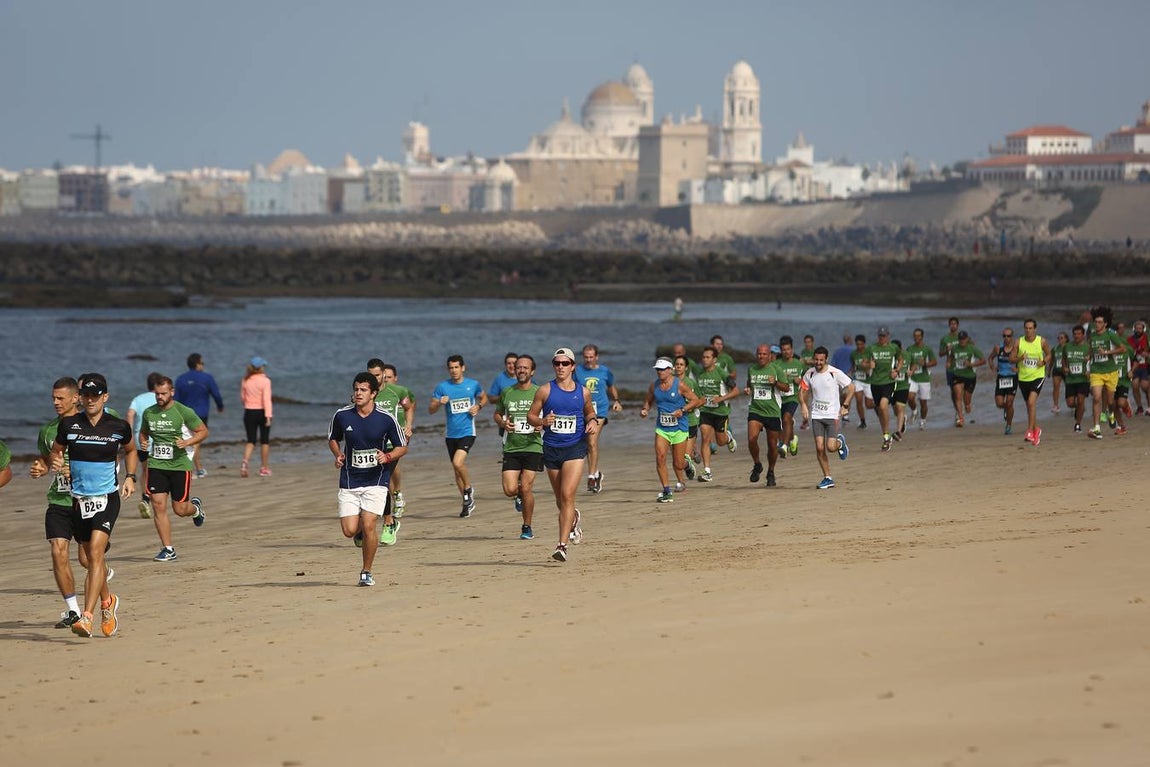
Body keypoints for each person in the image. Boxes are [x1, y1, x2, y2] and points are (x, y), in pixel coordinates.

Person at [49, 373, 136, 638]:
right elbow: (56, 450)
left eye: (95, 395)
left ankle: (87, 616)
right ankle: (108, 602)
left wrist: (131, 477)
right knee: (88, 559)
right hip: (79, 500)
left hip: (108, 498)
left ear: (105, 397)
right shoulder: (69, 425)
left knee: (96, 553)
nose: (90, 400)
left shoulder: (118, 427)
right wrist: (55, 461)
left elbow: (131, 450)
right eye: (85, 395)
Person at [29, 377, 112, 628]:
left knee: (88, 560)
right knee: (58, 550)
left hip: (87, 498)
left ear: (76, 398)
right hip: (59, 499)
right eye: (53, 398)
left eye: (60, 398)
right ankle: (74, 610)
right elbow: (48, 458)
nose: (55, 402)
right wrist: (42, 468)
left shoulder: (93, 423)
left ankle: (107, 601)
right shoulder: (48, 431)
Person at [328, 372, 408, 587]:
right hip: (350, 478)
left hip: (377, 478)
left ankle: (366, 572)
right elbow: (333, 438)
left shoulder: (386, 418)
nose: (358, 393)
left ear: (373, 393)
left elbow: (402, 446)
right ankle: (360, 531)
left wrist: (388, 456)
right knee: (349, 530)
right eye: (356, 389)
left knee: (370, 522)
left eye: (363, 390)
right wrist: (338, 454)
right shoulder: (342, 416)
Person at [528, 348, 598, 562]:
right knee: (560, 500)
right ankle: (574, 518)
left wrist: (593, 421)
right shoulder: (544, 390)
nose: (560, 367)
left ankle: (562, 545)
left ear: (572, 366)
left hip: (575, 448)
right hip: (551, 448)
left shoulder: (583, 391)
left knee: (568, 495)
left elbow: (589, 411)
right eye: (557, 363)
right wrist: (541, 422)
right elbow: (531, 416)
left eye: (565, 363)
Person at [138, 376, 208, 562]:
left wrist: (187, 442)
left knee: (179, 509)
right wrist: (143, 443)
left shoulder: (183, 411)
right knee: (158, 505)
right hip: (156, 465)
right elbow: (143, 432)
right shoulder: (149, 413)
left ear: (172, 392)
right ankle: (168, 549)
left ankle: (195, 509)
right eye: (157, 394)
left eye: (163, 393)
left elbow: (203, 431)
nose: (160, 397)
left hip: (180, 465)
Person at [429, 354, 487, 517]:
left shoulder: (472, 385)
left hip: (468, 431)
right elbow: (431, 410)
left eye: (456, 367)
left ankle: (468, 489)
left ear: (463, 368)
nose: (454, 371)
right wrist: (439, 402)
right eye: (451, 368)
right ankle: (467, 503)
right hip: (450, 434)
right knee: (456, 470)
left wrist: (479, 406)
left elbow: (484, 397)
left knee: (457, 462)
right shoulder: (442, 387)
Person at [493, 355, 543, 539]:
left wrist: (542, 424)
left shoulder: (540, 392)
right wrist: (503, 423)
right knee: (510, 490)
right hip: (512, 447)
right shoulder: (507, 391)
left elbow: (551, 415)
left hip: (533, 446)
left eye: (525, 368)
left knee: (527, 487)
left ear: (532, 371)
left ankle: (526, 527)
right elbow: (497, 414)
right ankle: (518, 495)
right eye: (518, 367)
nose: (521, 370)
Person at [640, 357, 703, 502]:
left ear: (670, 370)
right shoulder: (654, 386)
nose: (659, 372)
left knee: (678, 463)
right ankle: (667, 490)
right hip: (662, 429)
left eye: (662, 369)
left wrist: (682, 409)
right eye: (657, 369)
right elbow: (648, 400)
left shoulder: (680, 385)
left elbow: (695, 400)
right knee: (660, 458)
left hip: (679, 428)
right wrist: (645, 410)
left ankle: (687, 465)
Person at [798, 348, 854, 490]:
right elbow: (802, 390)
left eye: (821, 360)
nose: (818, 362)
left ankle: (840, 443)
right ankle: (827, 478)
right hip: (816, 415)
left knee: (830, 447)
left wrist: (846, 404)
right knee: (819, 447)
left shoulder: (834, 373)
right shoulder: (809, 373)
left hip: (832, 415)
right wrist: (803, 405)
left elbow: (851, 387)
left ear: (826, 359)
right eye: (816, 359)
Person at [369, 361, 415, 520]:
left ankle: (389, 516)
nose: (374, 378)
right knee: (379, 477)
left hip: (395, 442)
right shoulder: (368, 392)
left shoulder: (398, 391)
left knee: (384, 476)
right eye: (371, 375)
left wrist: (408, 426)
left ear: (382, 374)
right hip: (375, 442)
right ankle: (393, 499)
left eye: (376, 375)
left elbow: (409, 407)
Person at [574, 343, 622, 494]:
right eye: (586, 357)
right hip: (582, 411)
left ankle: (592, 476)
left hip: (600, 410)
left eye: (591, 357)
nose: (588, 360)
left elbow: (611, 386)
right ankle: (597, 474)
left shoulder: (605, 371)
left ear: (597, 357)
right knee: (584, 444)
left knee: (592, 440)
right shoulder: (577, 371)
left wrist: (616, 400)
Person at [744, 343, 789, 487]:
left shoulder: (776, 369)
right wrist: (747, 389)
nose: (761, 356)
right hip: (755, 409)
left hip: (772, 411)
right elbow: (749, 384)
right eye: (759, 354)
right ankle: (757, 464)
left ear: (769, 355)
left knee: (772, 445)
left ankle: (771, 471)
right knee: (752, 439)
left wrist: (775, 382)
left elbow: (786, 387)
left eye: (764, 354)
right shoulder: (752, 369)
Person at [175, 353, 224, 478]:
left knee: (190, 440)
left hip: (183, 414)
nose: (203, 365)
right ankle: (191, 468)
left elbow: (175, 399)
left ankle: (198, 468)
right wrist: (220, 406)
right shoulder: (206, 378)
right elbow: (216, 394)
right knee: (196, 440)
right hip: (200, 413)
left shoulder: (180, 379)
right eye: (202, 363)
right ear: (197, 364)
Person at [695, 345, 740, 481]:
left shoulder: (721, 373)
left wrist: (721, 399)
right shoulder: (699, 373)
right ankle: (707, 471)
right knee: (705, 437)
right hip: (705, 411)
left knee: (720, 442)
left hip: (720, 412)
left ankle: (729, 438)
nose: (704, 360)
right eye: (703, 357)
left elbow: (736, 391)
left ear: (714, 359)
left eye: (708, 357)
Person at [1086, 306, 1126, 440]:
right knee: (1096, 397)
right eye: (1095, 322)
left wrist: (1107, 353)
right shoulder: (1092, 335)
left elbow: (1122, 349)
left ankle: (1111, 414)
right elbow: (1092, 350)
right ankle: (1096, 428)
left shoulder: (1111, 334)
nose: (1096, 325)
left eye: (1099, 322)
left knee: (1110, 401)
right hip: (1096, 371)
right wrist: (1088, 356)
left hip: (1111, 371)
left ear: (1105, 324)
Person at [1011, 318, 1052, 446]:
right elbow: (1011, 359)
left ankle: (1029, 431)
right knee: (1029, 406)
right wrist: (1020, 358)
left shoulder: (1042, 341)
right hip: (1023, 378)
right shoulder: (1019, 342)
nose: (1028, 331)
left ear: (1035, 329)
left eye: (1030, 328)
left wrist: (1044, 362)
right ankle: (1036, 430)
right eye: (1026, 328)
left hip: (1038, 376)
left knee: (1031, 402)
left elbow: (1050, 354)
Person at [126, 372, 161, 518]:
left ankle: (145, 498)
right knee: (158, 471)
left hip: (140, 440)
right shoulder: (161, 398)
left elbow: (129, 414)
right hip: (157, 439)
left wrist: (128, 433)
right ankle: (154, 498)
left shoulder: (138, 399)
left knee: (145, 470)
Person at [864, 326, 902, 451]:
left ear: (888, 336)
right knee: (880, 409)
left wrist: (896, 370)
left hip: (888, 381)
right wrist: (869, 365)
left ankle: (887, 435)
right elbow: (863, 364)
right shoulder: (872, 348)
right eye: (880, 336)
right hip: (875, 383)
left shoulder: (893, 348)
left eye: (884, 336)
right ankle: (886, 436)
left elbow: (900, 359)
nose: (882, 338)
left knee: (883, 405)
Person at [241, 356, 273, 477]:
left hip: (249, 412)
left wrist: (248, 405)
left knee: (251, 441)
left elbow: (243, 398)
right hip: (262, 412)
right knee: (264, 441)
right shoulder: (265, 381)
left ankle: (245, 463)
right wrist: (268, 417)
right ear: (260, 368)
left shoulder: (246, 380)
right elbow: (267, 400)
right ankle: (264, 468)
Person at [673, 354, 703, 478]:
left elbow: (701, 399)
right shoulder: (670, 382)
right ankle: (687, 466)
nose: (679, 367)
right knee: (677, 456)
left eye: (681, 365)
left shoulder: (691, 383)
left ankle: (689, 461)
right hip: (674, 422)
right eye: (677, 364)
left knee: (685, 455)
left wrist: (690, 407)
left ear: (686, 368)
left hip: (690, 421)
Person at [947, 331, 985, 427]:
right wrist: (948, 363)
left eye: (964, 339)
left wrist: (971, 364)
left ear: (967, 339)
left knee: (966, 399)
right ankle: (961, 418)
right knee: (958, 396)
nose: (962, 341)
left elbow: (983, 360)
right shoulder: (955, 349)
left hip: (970, 376)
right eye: (960, 339)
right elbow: (950, 358)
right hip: (957, 375)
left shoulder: (972, 349)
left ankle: (968, 405)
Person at [905, 328, 937, 430]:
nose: (916, 338)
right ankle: (914, 411)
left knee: (923, 402)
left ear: (922, 337)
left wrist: (925, 364)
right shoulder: (910, 349)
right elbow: (906, 361)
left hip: (924, 378)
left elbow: (934, 362)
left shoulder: (927, 349)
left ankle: (922, 421)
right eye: (915, 335)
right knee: (909, 397)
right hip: (913, 378)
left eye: (918, 336)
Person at [989, 327, 1019, 435]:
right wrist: (993, 367)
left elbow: (1023, 361)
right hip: (1001, 377)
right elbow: (990, 358)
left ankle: (1008, 426)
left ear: (1012, 336)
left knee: (1009, 402)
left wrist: (1018, 369)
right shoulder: (998, 348)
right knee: (1000, 403)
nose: (1006, 338)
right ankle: (1007, 410)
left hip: (1012, 377)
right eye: (1004, 336)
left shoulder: (1016, 348)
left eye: (1009, 336)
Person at [1061, 325, 1090, 433]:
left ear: (1083, 335)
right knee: (1070, 403)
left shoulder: (1088, 347)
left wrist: (1089, 371)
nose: (1076, 336)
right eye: (1075, 334)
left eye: (1079, 334)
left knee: (1081, 400)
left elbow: (1093, 360)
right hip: (1071, 379)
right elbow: (1064, 359)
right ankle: (1080, 409)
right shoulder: (1067, 346)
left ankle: (1078, 424)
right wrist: (1064, 367)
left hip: (1083, 379)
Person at [487, 352, 519, 441]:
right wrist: (506, 397)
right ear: (505, 365)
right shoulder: (500, 379)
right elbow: (491, 399)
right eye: (509, 363)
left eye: (514, 363)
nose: (511, 366)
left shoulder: (525, 377)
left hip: (523, 417)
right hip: (505, 418)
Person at [939, 317, 963, 418]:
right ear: (949, 325)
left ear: (958, 325)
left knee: (959, 391)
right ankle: (957, 410)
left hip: (962, 368)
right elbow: (940, 354)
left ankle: (960, 412)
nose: (953, 325)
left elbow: (970, 348)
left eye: (954, 324)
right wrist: (946, 350)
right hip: (950, 368)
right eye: (951, 324)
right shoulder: (945, 339)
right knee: (953, 392)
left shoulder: (962, 337)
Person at [1126, 319, 1148, 415]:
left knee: (1145, 386)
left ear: (1144, 329)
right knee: (1135, 386)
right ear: (1133, 329)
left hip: (1145, 366)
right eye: (1137, 328)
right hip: (1134, 366)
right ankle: (1139, 407)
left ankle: (1149, 406)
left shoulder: (1147, 339)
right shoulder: (1129, 340)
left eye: (1140, 328)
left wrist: (1147, 355)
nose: (1138, 330)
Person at [849, 334, 871, 429]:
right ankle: (863, 421)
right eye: (857, 344)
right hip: (858, 379)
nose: (859, 346)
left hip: (868, 380)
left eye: (861, 344)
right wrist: (851, 372)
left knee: (869, 404)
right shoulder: (854, 354)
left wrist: (866, 365)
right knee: (858, 400)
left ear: (864, 344)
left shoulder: (869, 352)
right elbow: (853, 365)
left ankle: (877, 407)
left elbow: (873, 365)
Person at [1050, 331, 1069, 414]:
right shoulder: (1054, 349)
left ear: (1066, 339)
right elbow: (1052, 360)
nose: (1059, 340)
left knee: (1069, 387)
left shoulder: (1069, 348)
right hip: (1056, 370)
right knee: (1056, 387)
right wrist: (1049, 370)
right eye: (1058, 338)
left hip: (1066, 370)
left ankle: (1073, 403)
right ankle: (1056, 405)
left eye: (1061, 338)